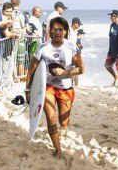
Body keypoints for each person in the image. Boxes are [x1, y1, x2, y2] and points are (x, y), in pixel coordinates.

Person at [26, 17, 84, 158]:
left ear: (65, 31)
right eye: (54, 29)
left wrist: (65, 72)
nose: (57, 32)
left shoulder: (71, 47)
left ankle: (63, 127)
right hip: (48, 87)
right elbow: (31, 70)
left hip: (66, 88)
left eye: (60, 29)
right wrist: (28, 90)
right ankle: (58, 149)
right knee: (51, 117)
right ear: (50, 31)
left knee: (63, 122)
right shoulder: (43, 48)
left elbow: (81, 69)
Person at [105, 10, 118, 87]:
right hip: (111, 50)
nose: (110, 18)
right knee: (107, 65)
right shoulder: (112, 25)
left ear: (116, 17)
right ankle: (115, 77)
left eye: (111, 17)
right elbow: (111, 37)